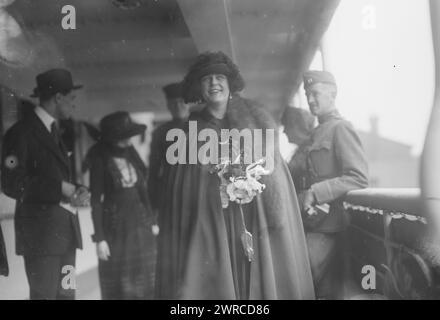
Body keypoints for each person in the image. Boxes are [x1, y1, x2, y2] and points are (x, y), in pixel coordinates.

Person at [155, 51, 315, 299]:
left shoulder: (255, 123)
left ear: (230, 84)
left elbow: (275, 176)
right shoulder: (190, 134)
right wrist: (214, 191)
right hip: (212, 224)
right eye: (207, 79)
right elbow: (185, 188)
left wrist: (253, 185)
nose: (214, 84)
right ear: (199, 87)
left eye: (220, 77)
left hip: (254, 218)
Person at [1, 68, 88, 299]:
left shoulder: (53, 131)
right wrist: (59, 189)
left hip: (66, 235)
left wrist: (77, 189)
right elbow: (10, 182)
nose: (73, 105)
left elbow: (54, 174)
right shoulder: (22, 133)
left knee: (67, 297)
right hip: (42, 240)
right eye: (71, 99)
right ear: (58, 97)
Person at [299, 70, 369, 299]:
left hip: (330, 227)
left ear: (333, 93)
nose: (310, 100)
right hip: (313, 222)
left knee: (311, 285)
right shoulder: (317, 132)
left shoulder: (341, 128)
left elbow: (358, 177)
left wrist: (316, 192)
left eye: (316, 93)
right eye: (307, 94)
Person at [87, 111, 157, 299]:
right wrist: (100, 238)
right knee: (122, 283)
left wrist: (152, 221)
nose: (128, 141)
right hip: (116, 230)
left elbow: (143, 191)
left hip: (141, 227)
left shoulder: (131, 156)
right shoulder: (100, 161)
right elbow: (96, 201)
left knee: (146, 279)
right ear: (112, 139)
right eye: (123, 138)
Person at [148, 82, 190, 213]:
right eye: (173, 103)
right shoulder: (160, 132)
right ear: (168, 106)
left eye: (181, 102)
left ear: (189, 103)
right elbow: (153, 170)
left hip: (197, 188)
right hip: (171, 189)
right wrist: (154, 204)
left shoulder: (202, 128)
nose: (178, 106)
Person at [282, 106, 315, 192]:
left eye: (286, 126)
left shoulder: (309, 152)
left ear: (296, 127)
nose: (284, 131)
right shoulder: (301, 151)